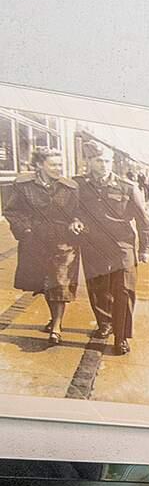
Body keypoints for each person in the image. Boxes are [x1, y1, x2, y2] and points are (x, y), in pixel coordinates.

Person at [2, 148, 85, 345]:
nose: (58, 168)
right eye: (53, 164)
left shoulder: (70, 187)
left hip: (64, 241)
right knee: (46, 283)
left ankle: (56, 327)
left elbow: (79, 211)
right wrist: (26, 230)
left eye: (60, 164)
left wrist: (76, 221)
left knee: (60, 281)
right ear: (39, 165)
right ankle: (54, 319)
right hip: (35, 240)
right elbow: (12, 211)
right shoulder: (23, 185)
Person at [77, 148, 149, 356]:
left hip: (122, 246)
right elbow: (71, 209)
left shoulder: (127, 187)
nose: (104, 165)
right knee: (98, 288)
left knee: (124, 290)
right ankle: (105, 323)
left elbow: (144, 220)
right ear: (89, 161)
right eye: (99, 160)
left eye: (107, 161)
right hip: (93, 244)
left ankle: (121, 337)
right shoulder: (79, 185)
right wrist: (75, 220)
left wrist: (145, 248)